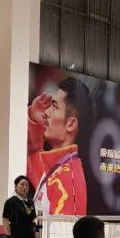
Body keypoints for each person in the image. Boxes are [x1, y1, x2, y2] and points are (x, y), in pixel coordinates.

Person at [26, 77, 92, 217]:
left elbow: (62, 232)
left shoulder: (68, 180)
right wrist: (33, 117)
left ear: (71, 124)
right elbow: (32, 153)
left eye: (54, 107)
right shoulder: (55, 168)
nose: (46, 112)